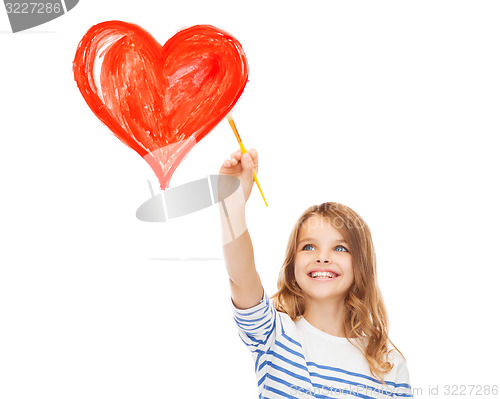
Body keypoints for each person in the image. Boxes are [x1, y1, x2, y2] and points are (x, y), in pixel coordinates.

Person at [218, 148, 413, 399]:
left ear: (360, 265)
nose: (322, 257)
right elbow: (240, 275)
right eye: (308, 247)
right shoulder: (273, 334)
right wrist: (232, 204)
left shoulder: (390, 366)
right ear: (292, 264)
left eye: (340, 248)